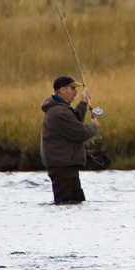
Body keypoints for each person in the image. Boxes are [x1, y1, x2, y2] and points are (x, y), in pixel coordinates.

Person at [40, 75, 100, 204]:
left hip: (67, 166)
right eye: (72, 88)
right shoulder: (59, 112)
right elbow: (80, 132)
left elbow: (75, 119)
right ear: (62, 90)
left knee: (77, 202)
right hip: (62, 166)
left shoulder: (61, 110)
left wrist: (83, 102)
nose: (76, 92)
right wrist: (93, 126)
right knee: (65, 203)